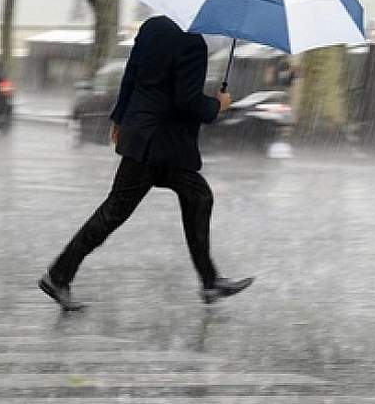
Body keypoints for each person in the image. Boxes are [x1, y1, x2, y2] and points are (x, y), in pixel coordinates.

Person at [38, 16, 254, 310]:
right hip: (161, 146)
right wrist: (218, 105)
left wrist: (119, 117)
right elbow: (187, 102)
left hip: (144, 138)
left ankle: (209, 281)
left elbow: (131, 74)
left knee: (197, 196)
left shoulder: (152, 27)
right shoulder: (193, 44)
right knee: (115, 211)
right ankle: (58, 274)